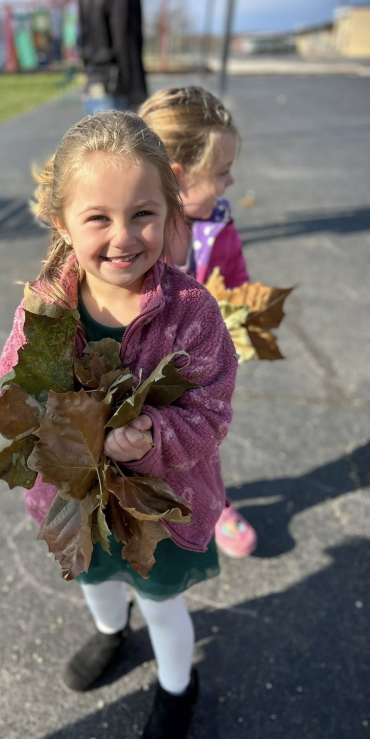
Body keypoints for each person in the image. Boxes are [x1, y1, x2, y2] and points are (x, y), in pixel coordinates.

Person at [0, 111, 237, 739]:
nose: (123, 237)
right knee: (97, 578)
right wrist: (66, 429)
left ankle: (176, 688)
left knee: (160, 599)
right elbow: (16, 391)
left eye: (143, 214)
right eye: (98, 218)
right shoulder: (46, 306)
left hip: (161, 506)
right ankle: (108, 632)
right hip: (75, 497)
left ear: (170, 211)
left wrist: (153, 436)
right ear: (62, 223)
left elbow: (211, 413)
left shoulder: (192, 313)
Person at [140, 86, 258, 558]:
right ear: (178, 177)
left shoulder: (219, 225)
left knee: (202, 442)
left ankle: (215, 501)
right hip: (143, 372)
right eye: (223, 172)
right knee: (145, 447)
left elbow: (238, 280)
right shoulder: (135, 237)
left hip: (200, 371)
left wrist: (244, 315)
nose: (230, 183)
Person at [79, 0, 147, 113]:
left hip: (95, 82)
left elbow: (84, 38)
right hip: (117, 86)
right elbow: (126, 45)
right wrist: (137, 93)